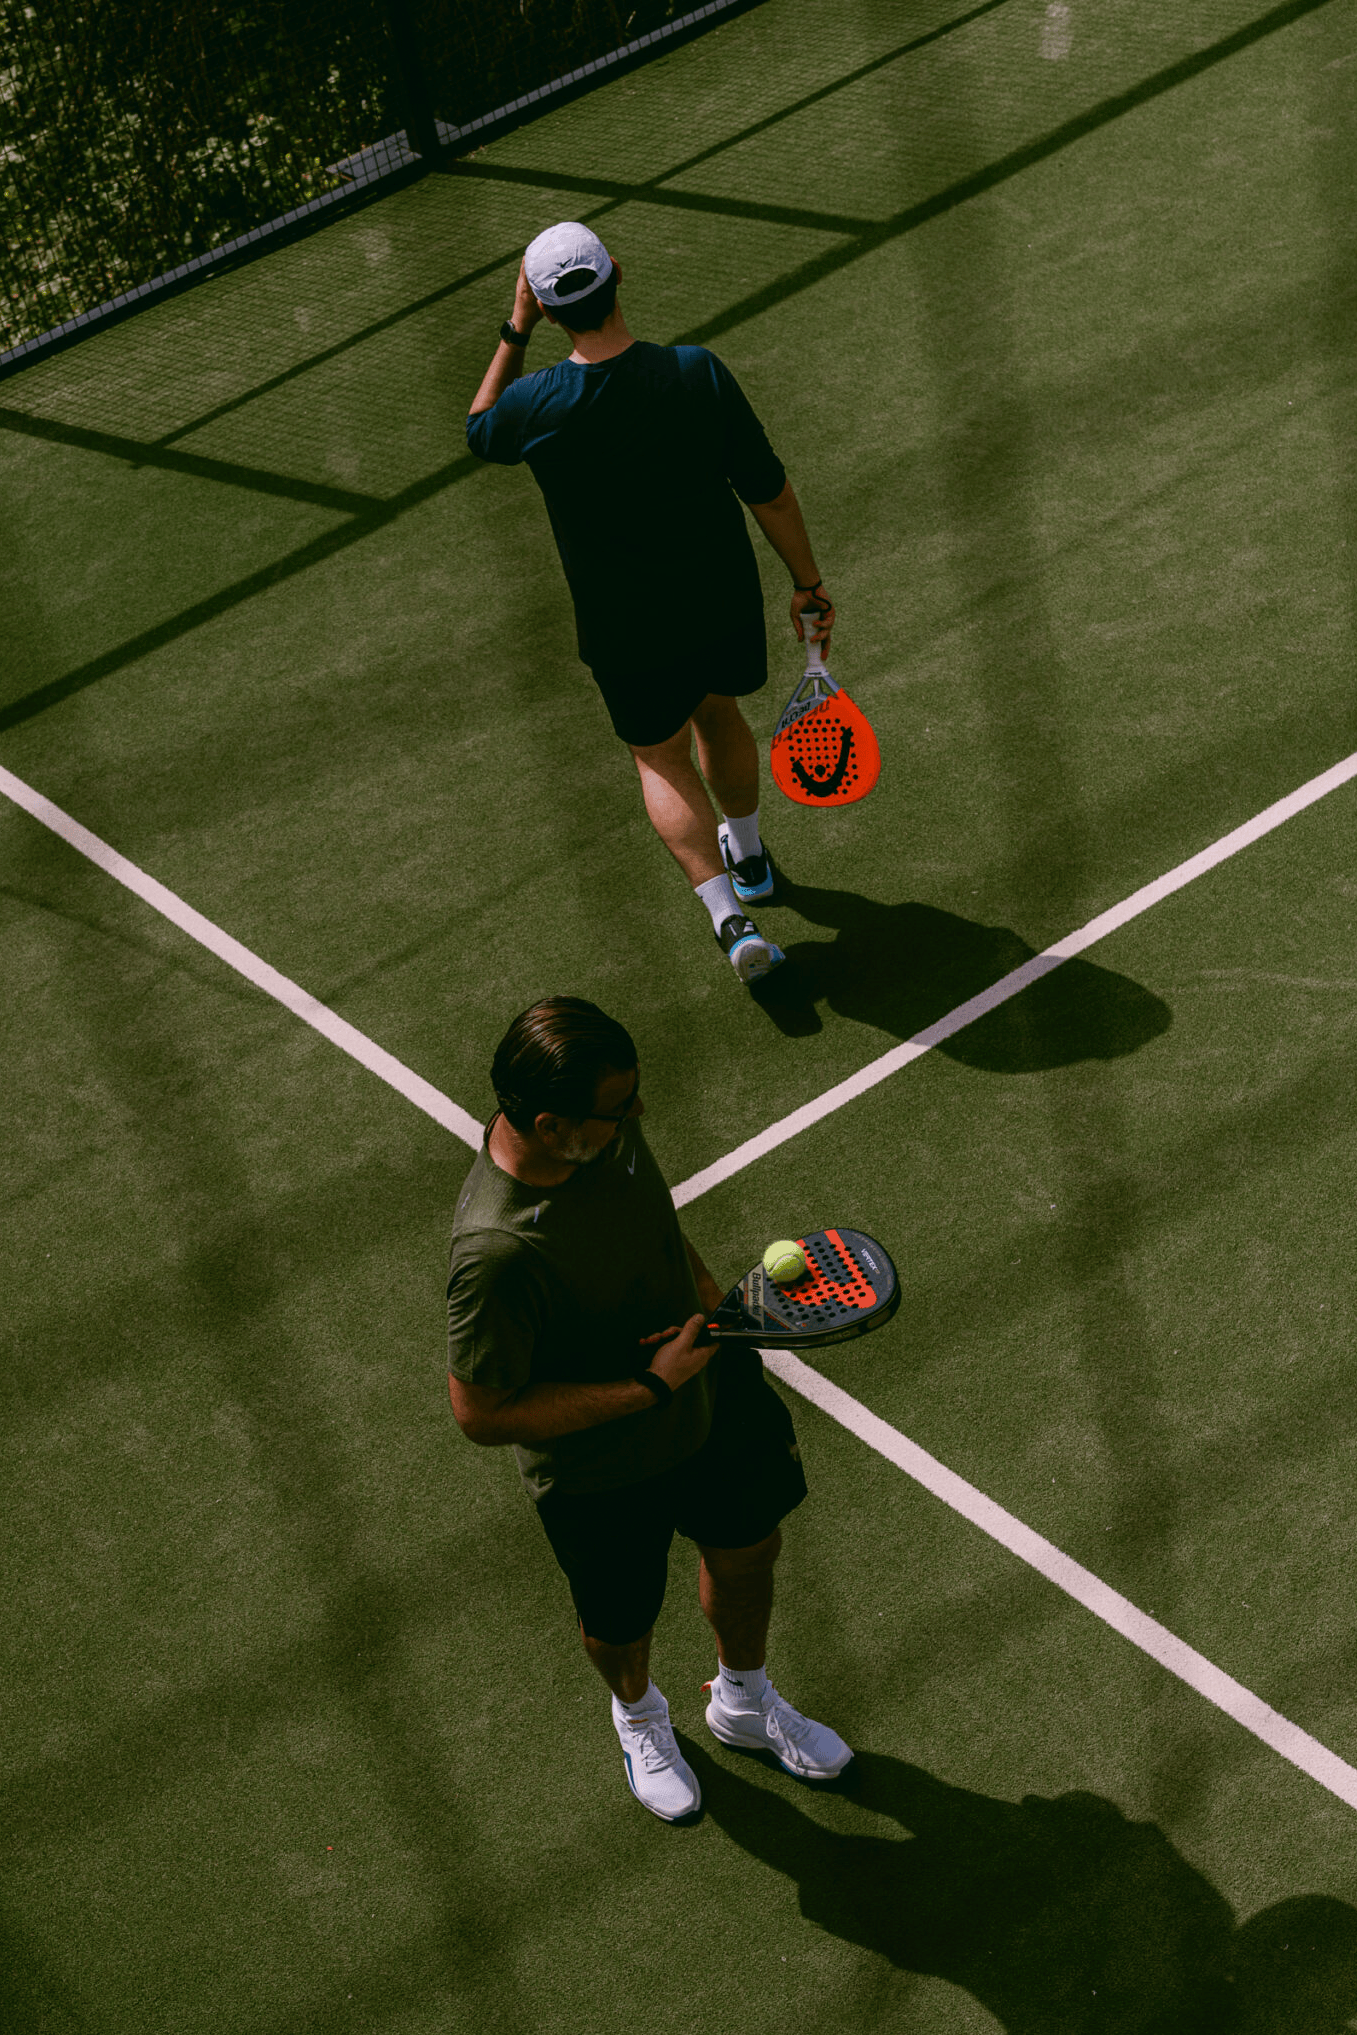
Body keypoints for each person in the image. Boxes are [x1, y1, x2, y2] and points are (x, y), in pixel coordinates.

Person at [445, 995, 853, 1821]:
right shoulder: (495, 1252)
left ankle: (742, 1700)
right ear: (552, 1123)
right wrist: (648, 1387)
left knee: (748, 1547)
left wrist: (714, 1306)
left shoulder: (604, 1135)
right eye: (617, 1108)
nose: (637, 1115)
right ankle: (637, 1713)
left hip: (708, 1381)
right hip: (602, 1463)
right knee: (621, 1616)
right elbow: (481, 1413)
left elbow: (652, 1220)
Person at [465, 220, 837, 989]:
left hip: (625, 624)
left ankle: (730, 920)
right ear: (619, 275)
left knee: (659, 756)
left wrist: (513, 328)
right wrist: (806, 581)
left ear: (544, 303)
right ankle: (752, 855)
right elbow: (766, 489)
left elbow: (478, 430)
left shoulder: (534, 405)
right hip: (717, 595)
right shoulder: (696, 373)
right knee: (719, 714)